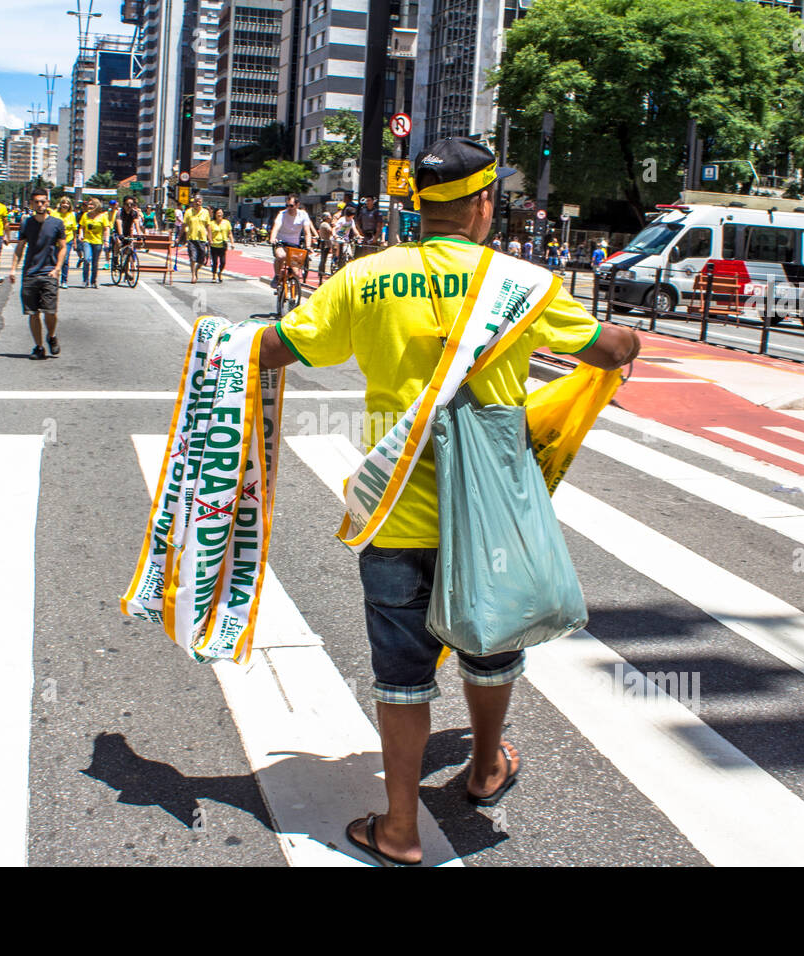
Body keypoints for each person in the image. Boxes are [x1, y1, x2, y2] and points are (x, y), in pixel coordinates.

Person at [255, 135, 640, 866]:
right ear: (484, 203)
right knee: (489, 644)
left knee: (400, 673)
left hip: (395, 512)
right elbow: (607, 350)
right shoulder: (524, 285)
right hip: (487, 519)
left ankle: (399, 827)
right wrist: (628, 342)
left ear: (419, 204)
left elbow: (273, 348)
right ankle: (487, 766)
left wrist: (216, 345)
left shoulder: (364, 279)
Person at [10, 187, 67, 360]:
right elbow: (20, 247)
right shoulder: (26, 223)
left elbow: (63, 247)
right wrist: (13, 268)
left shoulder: (57, 223)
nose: (40, 205)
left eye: (43, 201)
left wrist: (57, 268)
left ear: (48, 202)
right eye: (37, 202)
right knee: (33, 313)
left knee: (50, 312)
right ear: (31, 204)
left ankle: (51, 336)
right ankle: (39, 347)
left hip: (49, 273)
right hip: (30, 273)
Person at [271, 194, 317, 288]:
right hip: (281, 242)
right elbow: (275, 228)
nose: (289, 208)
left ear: (297, 205)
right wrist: (272, 238)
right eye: (287, 205)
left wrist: (308, 246)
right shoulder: (282, 214)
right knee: (281, 256)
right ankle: (277, 276)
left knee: (296, 272)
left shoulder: (303, 215)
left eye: (291, 206)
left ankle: (294, 297)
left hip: (294, 245)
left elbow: (307, 232)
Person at [78, 196, 109, 288]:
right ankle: (85, 280)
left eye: (92, 204)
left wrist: (106, 240)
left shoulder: (103, 216)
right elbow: (81, 227)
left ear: (97, 205)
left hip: (98, 242)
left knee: (95, 262)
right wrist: (81, 234)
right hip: (87, 241)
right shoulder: (85, 215)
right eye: (89, 204)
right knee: (87, 259)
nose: (90, 206)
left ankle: (93, 281)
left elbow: (106, 229)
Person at [183, 194, 212, 283]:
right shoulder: (188, 212)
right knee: (193, 258)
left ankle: (196, 270)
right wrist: (179, 237)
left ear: (201, 202)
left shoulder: (205, 212)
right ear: (193, 202)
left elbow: (208, 226)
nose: (197, 203)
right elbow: (184, 225)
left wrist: (210, 238)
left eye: (199, 201)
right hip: (192, 238)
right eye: (196, 201)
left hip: (202, 239)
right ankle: (193, 276)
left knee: (202, 260)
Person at [55, 197, 78, 288]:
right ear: (60, 204)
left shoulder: (72, 215)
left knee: (65, 260)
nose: (65, 205)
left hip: (67, 240)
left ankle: (64, 280)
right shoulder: (55, 214)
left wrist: (75, 241)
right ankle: (54, 279)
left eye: (67, 203)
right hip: (55, 241)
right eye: (63, 203)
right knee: (55, 260)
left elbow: (74, 230)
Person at [208, 206, 232, 282]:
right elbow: (209, 233)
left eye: (221, 213)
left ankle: (220, 272)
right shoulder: (211, 223)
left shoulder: (226, 222)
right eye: (218, 213)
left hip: (223, 244)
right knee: (215, 262)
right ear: (215, 214)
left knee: (223, 262)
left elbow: (230, 233)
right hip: (214, 245)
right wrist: (210, 240)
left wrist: (232, 242)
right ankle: (214, 275)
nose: (219, 214)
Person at [316, 212, 335, 279]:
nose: (330, 218)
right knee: (323, 259)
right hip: (325, 244)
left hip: (325, 243)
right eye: (329, 217)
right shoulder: (325, 224)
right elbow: (331, 231)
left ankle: (321, 272)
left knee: (324, 258)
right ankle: (321, 272)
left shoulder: (323, 224)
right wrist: (333, 227)